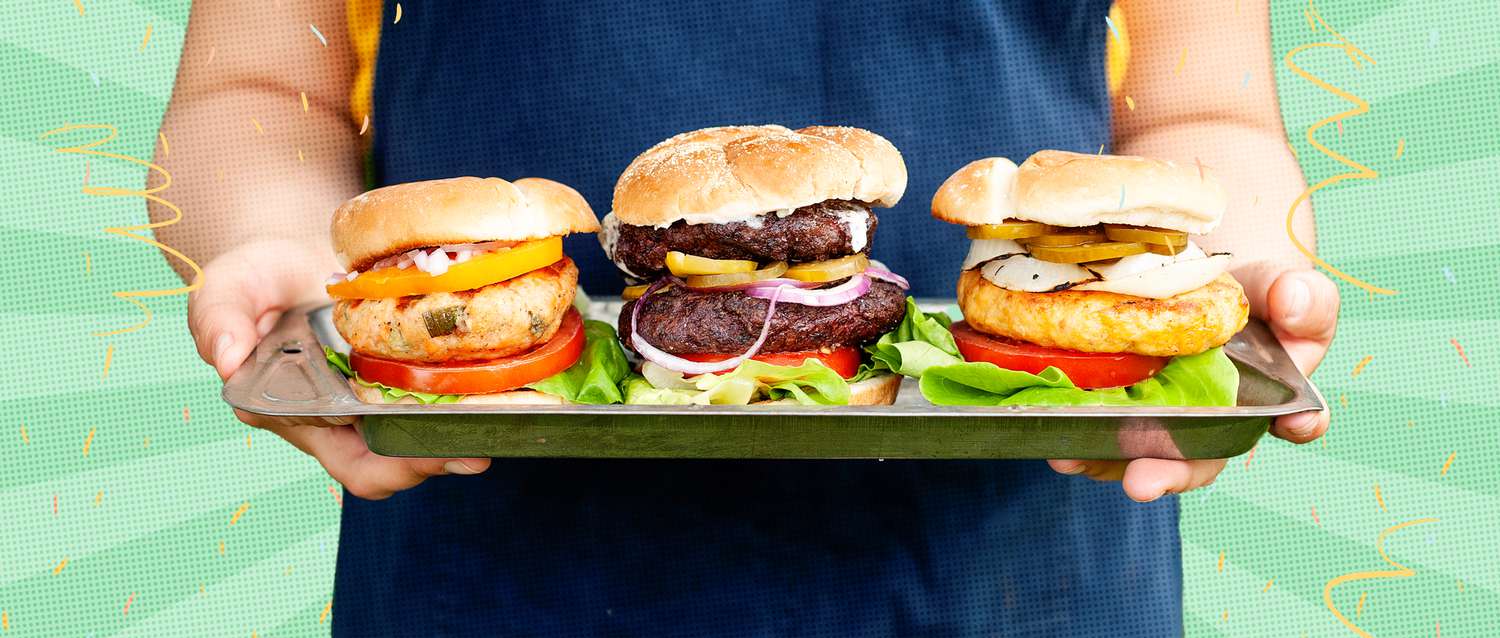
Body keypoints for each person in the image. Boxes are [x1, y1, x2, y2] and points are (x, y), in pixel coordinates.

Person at [154, 1, 1338, 634]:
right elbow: (256, 92)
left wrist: (1223, 275)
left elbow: (1200, 101)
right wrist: (278, 242)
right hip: (492, 559)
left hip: (1026, 562)